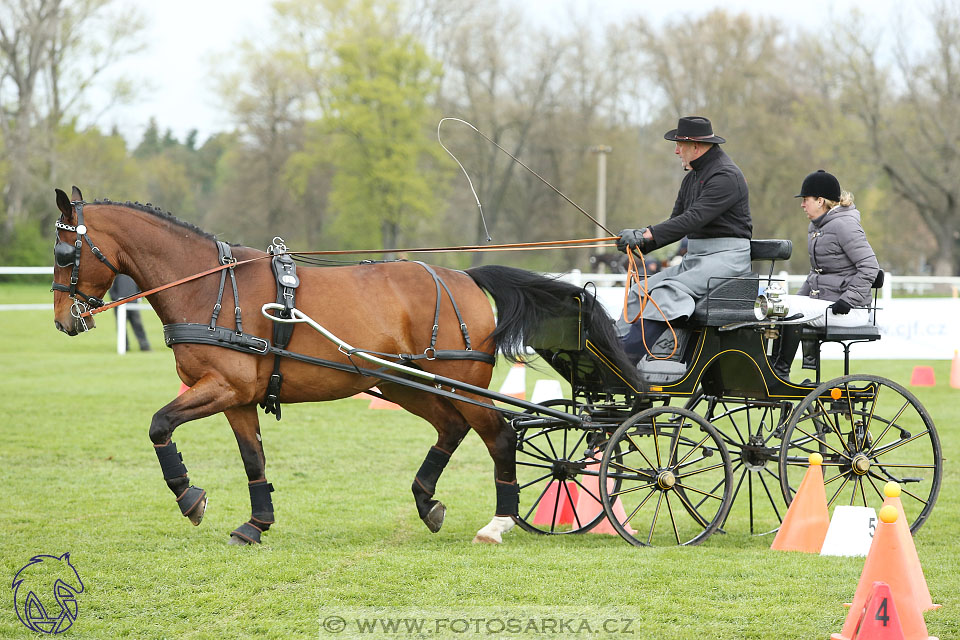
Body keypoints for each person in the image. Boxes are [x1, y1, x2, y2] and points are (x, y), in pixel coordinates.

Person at [616, 116, 752, 362]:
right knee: (640, 290)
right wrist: (640, 242)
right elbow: (676, 221)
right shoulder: (691, 178)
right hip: (698, 258)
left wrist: (646, 233)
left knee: (666, 292)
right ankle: (614, 348)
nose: (676, 151)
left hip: (727, 260)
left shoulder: (725, 176)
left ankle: (628, 357)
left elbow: (693, 219)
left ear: (696, 146)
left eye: (680, 145)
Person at [770, 170, 879, 380]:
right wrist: (798, 298)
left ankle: (779, 373)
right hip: (827, 305)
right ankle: (771, 367)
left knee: (787, 306)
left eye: (805, 200)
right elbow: (815, 273)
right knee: (776, 304)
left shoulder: (844, 225)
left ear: (820, 201)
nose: (802, 205)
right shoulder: (816, 227)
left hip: (850, 310)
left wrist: (848, 300)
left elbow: (870, 266)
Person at [109, 274, 151, 351]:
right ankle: (125, 347)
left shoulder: (134, 275)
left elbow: (140, 288)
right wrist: (117, 301)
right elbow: (111, 291)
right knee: (121, 327)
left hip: (133, 305)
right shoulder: (116, 276)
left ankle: (145, 346)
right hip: (119, 307)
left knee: (138, 326)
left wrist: (138, 299)